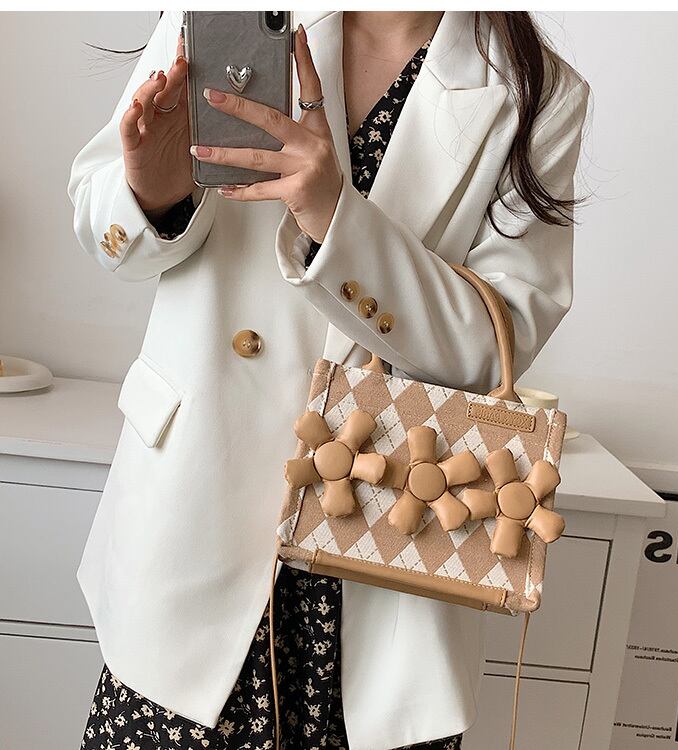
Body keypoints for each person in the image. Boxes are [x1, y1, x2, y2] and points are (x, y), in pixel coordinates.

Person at [68, 10, 588, 750]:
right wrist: (150, 195)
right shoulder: (229, 13)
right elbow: (103, 227)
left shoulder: (538, 92)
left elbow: (493, 343)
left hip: (382, 556)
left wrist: (335, 221)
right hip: (195, 516)